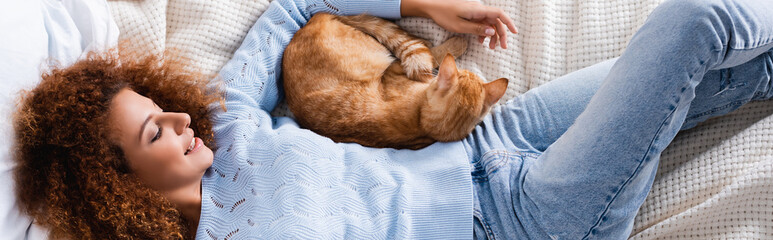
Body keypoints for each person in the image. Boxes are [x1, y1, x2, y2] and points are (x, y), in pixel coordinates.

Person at [12, 0, 772, 239]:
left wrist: (416, 7)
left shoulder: (227, 119)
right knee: (692, 23)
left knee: (727, 75)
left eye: (160, 107)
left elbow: (292, 6)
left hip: (490, 134)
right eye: (153, 132)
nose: (179, 119)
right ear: (119, 191)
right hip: (519, 218)